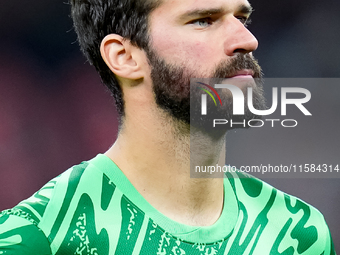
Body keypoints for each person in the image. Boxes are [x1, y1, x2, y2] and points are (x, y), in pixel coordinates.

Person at [0, 0, 336, 254]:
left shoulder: (298, 231)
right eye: (203, 21)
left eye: (242, 18)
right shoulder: (38, 234)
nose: (246, 40)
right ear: (124, 56)